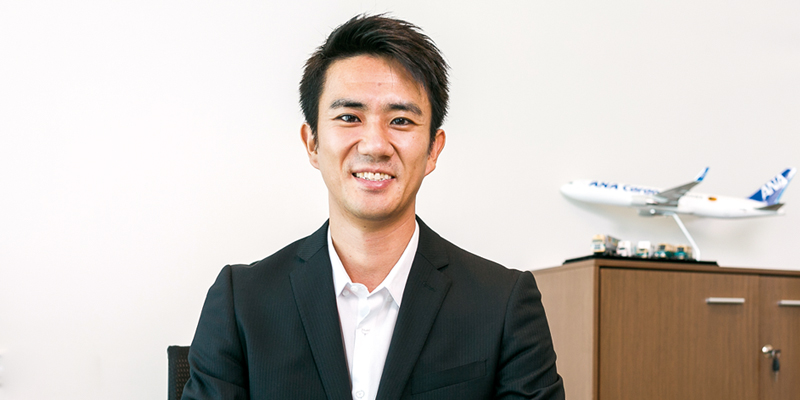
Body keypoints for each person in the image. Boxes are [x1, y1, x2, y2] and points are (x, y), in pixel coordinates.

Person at [182, 14, 565, 400]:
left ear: (433, 149)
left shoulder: (502, 305)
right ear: (312, 143)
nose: (375, 145)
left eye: (401, 120)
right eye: (349, 117)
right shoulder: (241, 302)